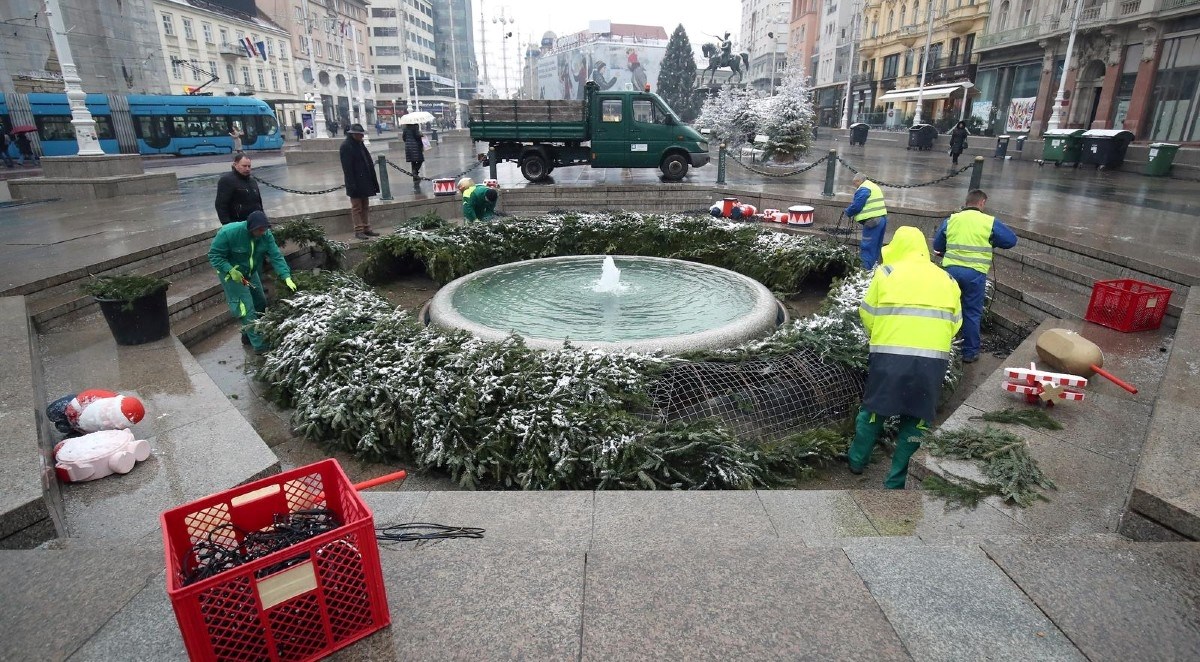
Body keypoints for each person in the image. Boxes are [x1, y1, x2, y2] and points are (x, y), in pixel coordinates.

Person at [848, 226, 962, 488]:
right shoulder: (948, 280)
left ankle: (856, 461)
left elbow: (867, 313)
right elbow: (955, 324)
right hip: (932, 361)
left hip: (889, 357)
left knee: (874, 412)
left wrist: (882, 335)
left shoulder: (886, 273)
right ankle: (896, 480)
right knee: (917, 419)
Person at [932, 189, 1018, 364]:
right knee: (972, 312)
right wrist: (992, 240)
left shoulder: (951, 220)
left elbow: (937, 245)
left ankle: (942, 346)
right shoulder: (989, 222)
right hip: (974, 273)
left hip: (951, 271)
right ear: (982, 203)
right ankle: (969, 353)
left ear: (967, 202)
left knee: (947, 308)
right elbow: (1011, 240)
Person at [207, 210, 296, 354]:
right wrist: (229, 270)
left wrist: (286, 276)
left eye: (264, 229)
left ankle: (248, 334)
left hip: (250, 272)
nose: (262, 232)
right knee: (246, 307)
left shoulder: (266, 235)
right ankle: (259, 346)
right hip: (232, 274)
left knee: (260, 301)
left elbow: (276, 256)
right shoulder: (228, 233)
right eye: (259, 230)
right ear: (251, 228)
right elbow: (214, 255)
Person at [339, 123, 380, 239]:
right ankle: (358, 230)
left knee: (365, 205)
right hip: (355, 182)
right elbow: (347, 168)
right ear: (353, 134)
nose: (362, 137)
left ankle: (367, 228)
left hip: (365, 181)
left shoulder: (360, 144)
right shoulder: (346, 146)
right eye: (360, 135)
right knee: (356, 207)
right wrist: (352, 184)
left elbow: (367, 162)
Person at [844, 173, 888, 269]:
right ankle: (873, 267)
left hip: (872, 221)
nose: (854, 185)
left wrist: (848, 212)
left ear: (859, 181)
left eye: (855, 183)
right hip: (882, 219)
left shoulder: (864, 188)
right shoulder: (873, 186)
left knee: (867, 247)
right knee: (876, 246)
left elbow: (857, 205)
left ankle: (864, 270)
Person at [213, 153, 263, 225]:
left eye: (249, 166)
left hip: (255, 223)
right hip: (237, 223)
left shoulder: (252, 181)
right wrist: (226, 224)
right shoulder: (227, 180)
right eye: (244, 166)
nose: (247, 169)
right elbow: (221, 205)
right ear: (235, 165)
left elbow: (258, 203)